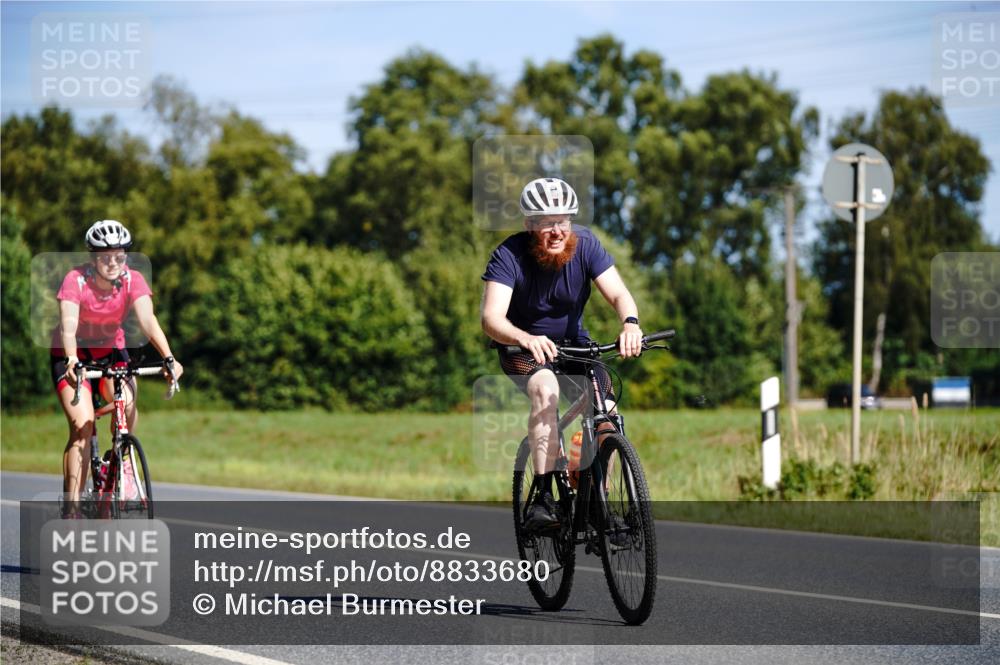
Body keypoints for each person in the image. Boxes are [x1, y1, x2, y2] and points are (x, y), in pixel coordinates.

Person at [480, 178, 643, 529]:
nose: (557, 231)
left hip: (573, 346)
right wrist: (525, 337)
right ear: (529, 226)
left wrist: (630, 323)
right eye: (546, 223)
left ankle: (597, 497)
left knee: (608, 415)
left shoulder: (585, 245)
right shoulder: (509, 255)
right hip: (522, 347)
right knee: (545, 391)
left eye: (563, 221)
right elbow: (491, 319)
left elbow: (618, 294)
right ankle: (542, 497)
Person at [52, 220, 184, 517]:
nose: (112, 262)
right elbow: (68, 328)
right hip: (73, 355)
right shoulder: (76, 280)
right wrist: (72, 360)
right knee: (83, 425)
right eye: (105, 256)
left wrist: (169, 358)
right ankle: (72, 509)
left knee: (128, 403)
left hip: (112, 351)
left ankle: (120, 459)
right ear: (93, 257)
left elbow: (148, 321)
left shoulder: (132, 279)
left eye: (119, 255)